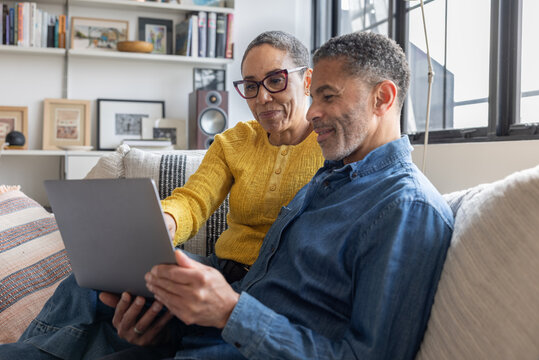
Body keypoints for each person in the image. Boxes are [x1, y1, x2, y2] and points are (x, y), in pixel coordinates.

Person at [0, 32, 454, 360]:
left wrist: (228, 311)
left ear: (383, 98)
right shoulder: (334, 172)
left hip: (232, 323)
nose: (312, 111)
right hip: (224, 310)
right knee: (97, 292)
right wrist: (165, 232)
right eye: (251, 86)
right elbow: (195, 199)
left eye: (325, 96)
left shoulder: (400, 205)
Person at [161, 29, 324, 283]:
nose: (262, 97)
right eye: (251, 86)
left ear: (307, 81)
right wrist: (168, 219)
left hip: (283, 285)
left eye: (276, 80)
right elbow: (194, 199)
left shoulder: (331, 143)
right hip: (219, 272)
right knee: (114, 270)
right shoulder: (234, 141)